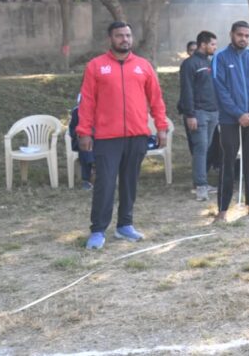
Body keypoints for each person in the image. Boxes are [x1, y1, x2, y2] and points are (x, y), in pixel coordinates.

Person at [77, 21, 169, 250]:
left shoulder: (143, 66)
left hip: (137, 135)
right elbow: (87, 102)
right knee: (105, 184)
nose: (125, 39)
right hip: (107, 138)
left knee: (130, 183)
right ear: (111, 39)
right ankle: (98, 230)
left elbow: (156, 100)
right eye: (120, 36)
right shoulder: (96, 66)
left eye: (128, 35)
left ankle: (124, 225)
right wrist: (84, 132)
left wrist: (161, 127)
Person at [211, 21, 249, 222]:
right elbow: (220, 89)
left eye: (247, 35)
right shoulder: (220, 58)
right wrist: (238, 114)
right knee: (227, 162)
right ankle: (222, 209)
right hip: (230, 120)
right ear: (231, 34)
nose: (243, 39)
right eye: (240, 35)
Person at [179, 31, 219, 201]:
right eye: (212, 44)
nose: (214, 48)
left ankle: (201, 182)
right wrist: (190, 114)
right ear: (203, 44)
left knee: (206, 147)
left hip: (213, 112)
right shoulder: (190, 64)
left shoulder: (209, 62)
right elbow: (186, 90)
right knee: (200, 148)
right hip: (198, 113)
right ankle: (201, 186)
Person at [69, 94, 95, 190]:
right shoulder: (76, 112)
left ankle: (87, 178)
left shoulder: (97, 111)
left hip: (97, 140)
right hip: (80, 140)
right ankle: (91, 170)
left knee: (89, 146)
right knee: (85, 147)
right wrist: (80, 133)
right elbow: (72, 128)